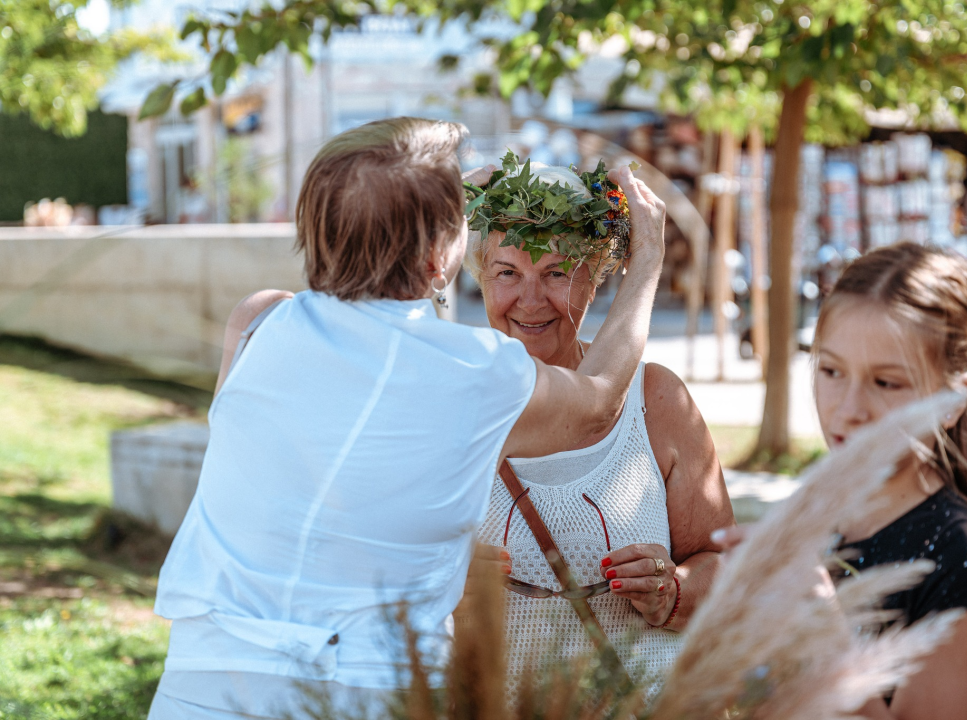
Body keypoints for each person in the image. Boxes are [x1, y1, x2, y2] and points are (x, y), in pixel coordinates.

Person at [147, 117, 667, 719]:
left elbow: (355, 314)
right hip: (365, 692)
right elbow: (598, 401)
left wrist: (414, 203)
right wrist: (647, 260)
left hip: (202, 682)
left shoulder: (258, 322)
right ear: (440, 255)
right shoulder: (475, 373)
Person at [461, 161, 735, 696]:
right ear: (479, 275)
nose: (530, 300)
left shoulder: (657, 400)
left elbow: (725, 562)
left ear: (597, 276)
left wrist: (673, 590)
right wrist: (434, 583)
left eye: (557, 273)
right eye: (507, 272)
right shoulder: (444, 404)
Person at [716, 242, 967, 720]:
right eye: (831, 370)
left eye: (886, 382)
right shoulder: (812, 522)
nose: (849, 408)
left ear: (953, 400)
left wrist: (823, 632)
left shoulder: (966, 556)